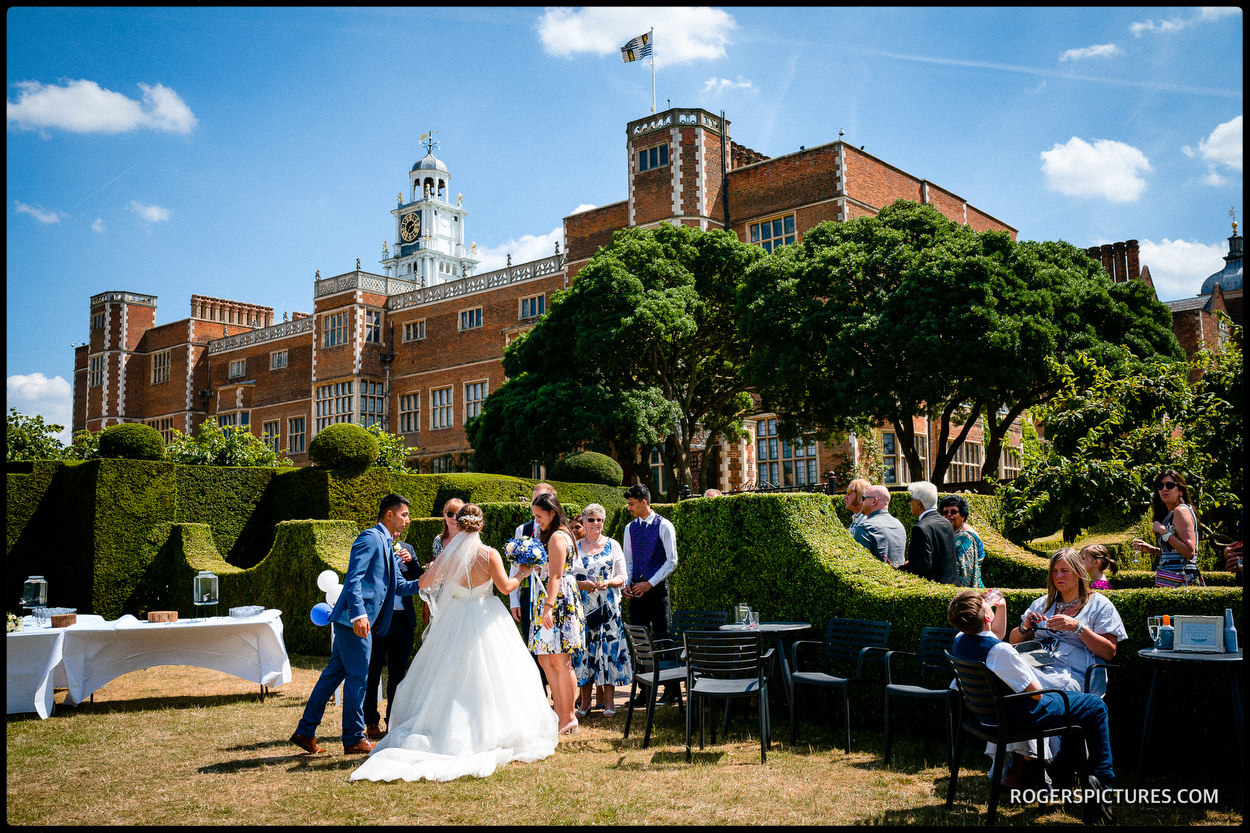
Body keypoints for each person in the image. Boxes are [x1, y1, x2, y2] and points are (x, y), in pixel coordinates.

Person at [350, 504, 558, 782]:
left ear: (459, 525)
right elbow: (506, 587)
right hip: (486, 615)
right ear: (481, 525)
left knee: (448, 676)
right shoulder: (489, 554)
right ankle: (492, 729)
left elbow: (423, 583)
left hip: (455, 617)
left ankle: (444, 728)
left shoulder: (446, 556)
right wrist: (523, 570)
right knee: (495, 675)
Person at [948, 589, 1115, 823]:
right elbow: (1036, 693)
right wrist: (1024, 666)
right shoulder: (1000, 651)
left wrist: (999, 606)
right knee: (1094, 705)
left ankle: (1061, 771)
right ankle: (1102, 779)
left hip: (986, 720)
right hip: (1022, 718)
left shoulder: (960, 639)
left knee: (1076, 708)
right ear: (987, 617)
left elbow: (993, 634)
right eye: (988, 608)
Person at [291, 494, 423, 755]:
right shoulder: (369, 538)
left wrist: (428, 579)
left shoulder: (388, 543)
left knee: (332, 675)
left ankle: (305, 731)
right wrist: (358, 615)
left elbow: (399, 586)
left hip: (355, 621)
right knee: (358, 678)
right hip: (353, 620)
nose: (408, 519)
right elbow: (354, 578)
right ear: (389, 514)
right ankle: (353, 738)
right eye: (404, 514)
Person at [1008, 548, 1125, 698]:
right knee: (1008, 659)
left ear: (1078, 571)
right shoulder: (1043, 604)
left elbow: (1109, 652)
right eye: (1054, 571)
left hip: (1074, 673)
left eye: (1064, 570)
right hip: (1040, 664)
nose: (1058, 576)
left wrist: (1078, 628)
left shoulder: (1099, 604)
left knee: (1018, 679)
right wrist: (1025, 627)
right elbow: (1013, 641)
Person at [528, 491, 585, 735]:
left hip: (558, 602)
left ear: (552, 512)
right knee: (545, 658)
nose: (537, 521)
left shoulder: (557, 538)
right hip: (551, 600)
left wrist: (548, 608)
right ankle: (560, 714)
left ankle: (568, 716)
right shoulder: (555, 535)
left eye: (540, 516)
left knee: (561, 661)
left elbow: (556, 576)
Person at [363, 526, 425, 740]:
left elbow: (420, 581)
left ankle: (393, 719)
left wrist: (412, 562)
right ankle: (371, 721)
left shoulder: (407, 548)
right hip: (380, 619)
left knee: (398, 674)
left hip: (403, 619)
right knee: (373, 671)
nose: (398, 533)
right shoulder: (374, 547)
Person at [621, 483, 681, 705]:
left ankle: (672, 690)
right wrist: (628, 584)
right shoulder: (630, 528)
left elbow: (672, 561)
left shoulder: (664, 525)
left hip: (657, 592)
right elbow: (629, 560)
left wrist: (650, 583)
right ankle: (645, 693)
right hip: (637, 591)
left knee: (664, 638)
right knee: (641, 641)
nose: (629, 508)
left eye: (632, 504)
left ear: (644, 502)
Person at [570, 504, 630, 718]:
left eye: (599, 520)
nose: (596, 523)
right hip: (582, 610)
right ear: (584, 522)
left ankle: (609, 704)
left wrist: (609, 582)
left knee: (608, 653)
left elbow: (623, 576)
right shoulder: (574, 546)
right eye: (591, 519)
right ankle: (585, 704)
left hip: (608, 610)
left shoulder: (612, 545)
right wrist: (580, 584)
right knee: (584, 654)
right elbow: (566, 577)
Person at [1131, 469, 1204, 587]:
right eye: (1160, 486)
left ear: (1180, 490)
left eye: (1170, 485)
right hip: (1171, 577)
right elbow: (1175, 555)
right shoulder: (1172, 513)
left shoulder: (1181, 511)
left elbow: (1189, 552)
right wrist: (1151, 550)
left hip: (1181, 580)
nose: (1164, 489)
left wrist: (1164, 532)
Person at [510, 483, 556, 646]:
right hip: (529, 595)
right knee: (530, 645)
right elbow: (515, 567)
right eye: (534, 500)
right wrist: (514, 600)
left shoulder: (559, 531)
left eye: (541, 499)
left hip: (552, 596)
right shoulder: (522, 530)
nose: (536, 503)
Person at [900, 481, 958, 584]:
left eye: (911, 499)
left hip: (934, 589)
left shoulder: (920, 528)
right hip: (952, 586)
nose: (910, 503)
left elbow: (920, 567)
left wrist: (901, 569)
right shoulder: (946, 523)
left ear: (919, 503)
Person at [851, 485, 907, 566]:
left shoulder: (865, 527)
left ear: (874, 501)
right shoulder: (899, 525)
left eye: (864, 498)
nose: (861, 502)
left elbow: (859, 565)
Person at [939, 495, 985, 588]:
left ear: (963, 516)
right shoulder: (952, 532)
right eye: (945, 512)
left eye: (953, 512)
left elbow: (965, 573)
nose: (949, 515)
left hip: (966, 591)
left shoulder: (966, 538)